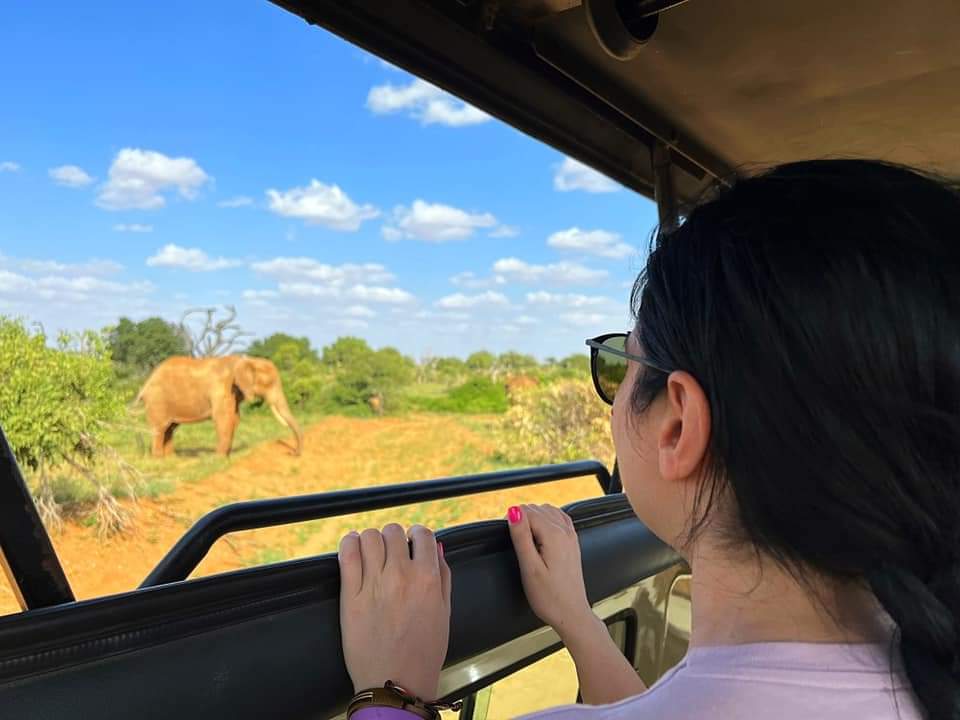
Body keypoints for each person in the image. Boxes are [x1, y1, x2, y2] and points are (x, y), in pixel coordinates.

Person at [337, 159, 960, 720]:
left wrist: (390, 694)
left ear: (678, 425)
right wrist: (580, 622)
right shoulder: (928, 668)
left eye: (620, 367)